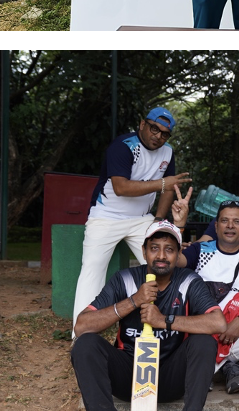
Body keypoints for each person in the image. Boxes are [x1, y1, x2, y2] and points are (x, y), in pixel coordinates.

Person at [72, 216, 224, 411]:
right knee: (84, 344)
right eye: (155, 248)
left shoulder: (188, 281)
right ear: (144, 251)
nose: (161, 255)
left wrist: (164, 321)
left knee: (204, 339)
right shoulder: (126, 280)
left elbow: (218, 323)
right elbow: (82, 325)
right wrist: (133, 301)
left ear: (178, 254)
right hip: (129, 377)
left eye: (169, 249)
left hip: (171, 378)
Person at [74, 108, 187, 316]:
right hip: (106, 216)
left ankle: (166, 324)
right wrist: (162, 183)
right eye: (154, 129)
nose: (158, 136)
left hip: (142, 219)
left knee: (164, 264)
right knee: (93, 269)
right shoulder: (123, 146)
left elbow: (168, 189)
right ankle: (81, 334)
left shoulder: (168, 152)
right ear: (143, 125)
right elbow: (121, 187)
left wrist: (158, 220)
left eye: (164, 134)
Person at [182, 199, 239, 395]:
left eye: (237, 222)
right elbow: (174, 261)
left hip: (236, 330)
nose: (230, 226)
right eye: (225, 221)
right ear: (216, 226)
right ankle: (226, 366)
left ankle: (211, 367)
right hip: (201, 326)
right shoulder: (200, 250)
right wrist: (179, 224)